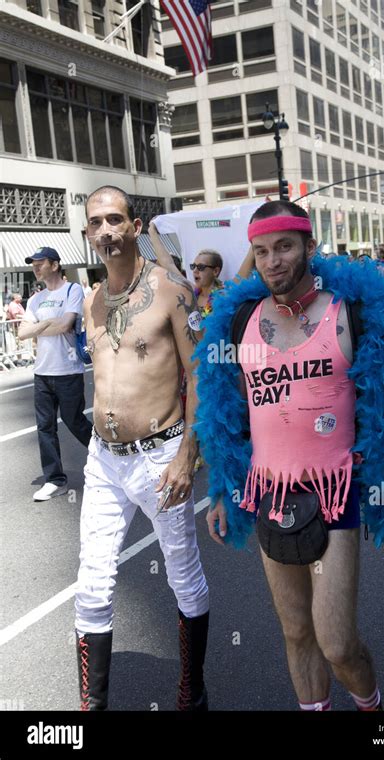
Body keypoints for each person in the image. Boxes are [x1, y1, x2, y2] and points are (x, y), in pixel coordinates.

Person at [195, 201, 384, 712]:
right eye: (261, 251)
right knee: (297, 632)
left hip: (334, 492)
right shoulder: (239, 325)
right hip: (268, 493)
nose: (273, 261)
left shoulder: (350, 314)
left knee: (338, 643)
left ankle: (372, 708)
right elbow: (226, 413)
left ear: (309, 248)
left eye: (284, 247)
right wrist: (221, 490)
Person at [75, 185, 209, 712]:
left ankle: (191, 690)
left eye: (114, 219)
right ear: (88, 234)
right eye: (95, 223)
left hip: (161, 455)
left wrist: (186, 456)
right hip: (103, 459)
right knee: (92, 580)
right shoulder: (90, 300)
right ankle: (93, 705)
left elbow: (200, 377)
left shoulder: (173, 293)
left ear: (134, 226)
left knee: (183, 576)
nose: (106, 231)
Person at [18, 248, 92, 501]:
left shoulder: (72, 290)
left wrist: (41, 327)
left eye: (40, 263)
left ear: (55, 264)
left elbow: (65, 325)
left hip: (67, 370)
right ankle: (55, 480)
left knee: (75, 422)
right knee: (44, 428)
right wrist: (48, 324)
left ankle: (111, 460)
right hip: (42, 372)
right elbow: (21, 333)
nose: (35, 268)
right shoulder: (35, 300)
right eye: (33, 264)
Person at [191, 249, 224, 317]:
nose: (195, 270)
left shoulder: (223, 297)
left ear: (215, 271)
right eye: (193, 266)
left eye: (200, 267)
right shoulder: (192, 295)